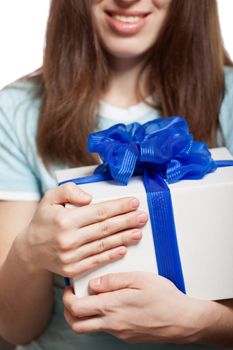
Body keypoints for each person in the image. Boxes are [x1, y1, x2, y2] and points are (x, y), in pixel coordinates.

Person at [0, 0, 233, 349]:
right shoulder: (16, 109)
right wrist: (30, 252)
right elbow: (14, 330)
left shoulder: (227, 99)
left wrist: (200, 323)